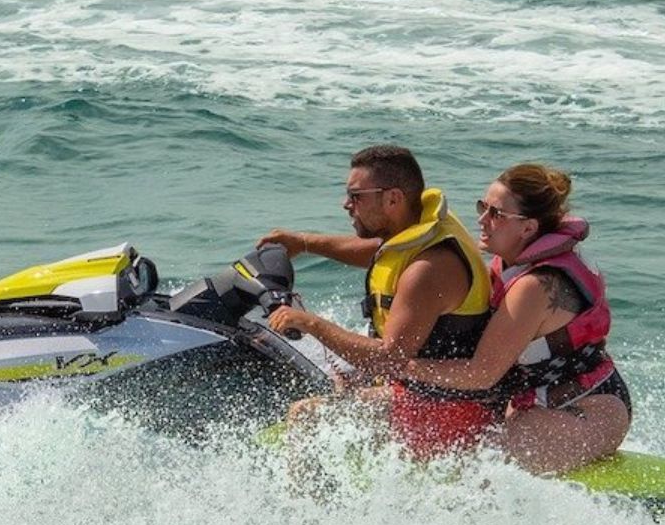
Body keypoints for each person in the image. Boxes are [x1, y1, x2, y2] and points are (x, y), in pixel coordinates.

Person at [262, 144, 503, 458]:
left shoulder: (429, 270)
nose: (346, 204)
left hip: (446, 412)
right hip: (418, 390)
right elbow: (379, 253)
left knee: (305, 417)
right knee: (334, 382)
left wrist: (311, 324)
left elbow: (389, 359)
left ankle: (314, 496)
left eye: (356, 196)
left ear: (393, 199)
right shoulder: (419, 231)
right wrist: (304, 243)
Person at [401, 163, 631, 473]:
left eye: (496, 214)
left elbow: (481, 374)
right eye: (482, 206)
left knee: (480, 460)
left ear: (528, 228)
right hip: (542, 401)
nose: (482, 219)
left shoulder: (534, 286)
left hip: (588, 409)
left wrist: (399, 365)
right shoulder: (509, 264)